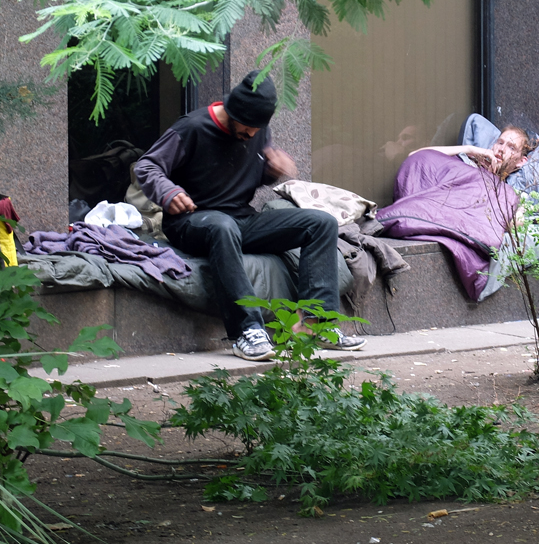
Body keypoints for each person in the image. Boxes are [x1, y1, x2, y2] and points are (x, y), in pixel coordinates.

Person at [134, 71, 365, 361]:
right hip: (193, 222)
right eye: (248, 127)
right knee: (222, 226)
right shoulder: (192, 127)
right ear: (232, 111)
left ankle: (316, 324)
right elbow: (147, 166)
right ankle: (248, 330)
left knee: (321, 223)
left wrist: (271, 170)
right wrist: (168, 192)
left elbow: (247, 175)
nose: (252, 135)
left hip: (241, 220)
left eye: (258, 128)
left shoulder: (255, 128)